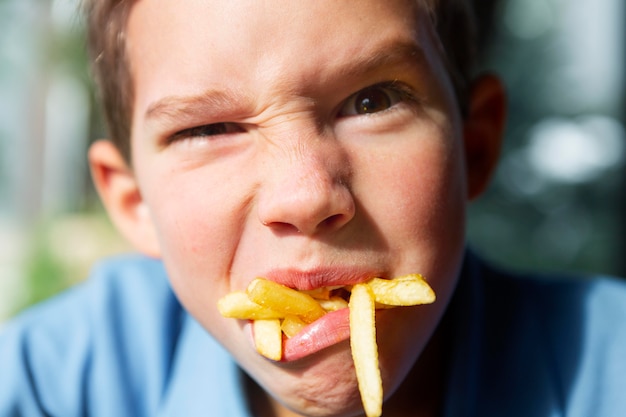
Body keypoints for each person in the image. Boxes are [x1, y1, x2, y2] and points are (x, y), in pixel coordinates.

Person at [1, 0, 625, 416]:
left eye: (372, 101)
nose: (304, 197)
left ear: (476, 144)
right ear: (132, 204)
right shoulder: (49, 384)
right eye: (209, 130)